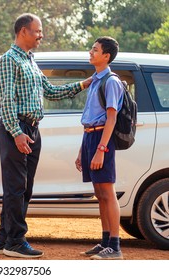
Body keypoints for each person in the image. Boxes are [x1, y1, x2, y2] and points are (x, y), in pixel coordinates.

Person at [0, 13, 92, 258]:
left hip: (32, 129)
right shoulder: (9, 60)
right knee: (16, 187)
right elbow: (7, 101)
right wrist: (16, 133)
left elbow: (50, 91)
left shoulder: (30, 60)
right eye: (38, 31)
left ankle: (3, 239)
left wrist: (84, 84)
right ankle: (15, 242)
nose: (41, 35)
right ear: (23, 31)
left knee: (24, 188)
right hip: (17, 128)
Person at [75, 36, 124, 260]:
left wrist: (101, 149)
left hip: (101, 139)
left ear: (106, 56)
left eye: (95, 50)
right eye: (91, 49)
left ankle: (115, 247)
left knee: (107, 191)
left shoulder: (111, 81)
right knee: (99, 193)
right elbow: (90, 117)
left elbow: (111, 119)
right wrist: (82, 150)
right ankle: (105, 241)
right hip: (90, 137)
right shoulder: (95, 80)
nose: (90, 52)